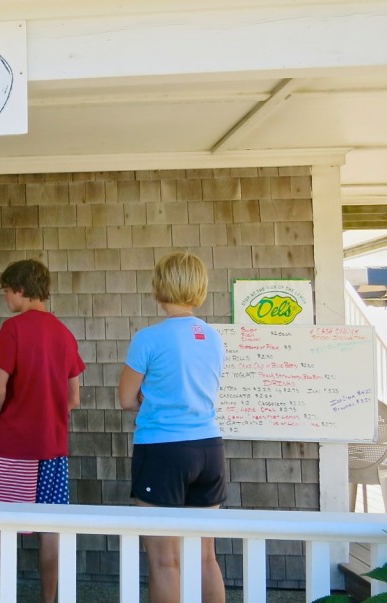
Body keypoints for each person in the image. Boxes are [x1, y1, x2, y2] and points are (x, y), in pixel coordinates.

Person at [117, 251, 227, 603]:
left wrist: (146, 402)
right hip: (210, 448)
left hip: (164, 450)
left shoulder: (148, 338)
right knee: (205, 556)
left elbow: (125, 398)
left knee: (165, 561)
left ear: (160, 287)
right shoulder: (212, 336)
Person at [0, 259, 85, 603]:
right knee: (50, 529)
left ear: (20, 290)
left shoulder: (14, 329)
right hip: (52, 448)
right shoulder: (64, 334)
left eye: (7, 291)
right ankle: (48, 599)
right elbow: (75, 399)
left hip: (11, 447)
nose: (5, 298)